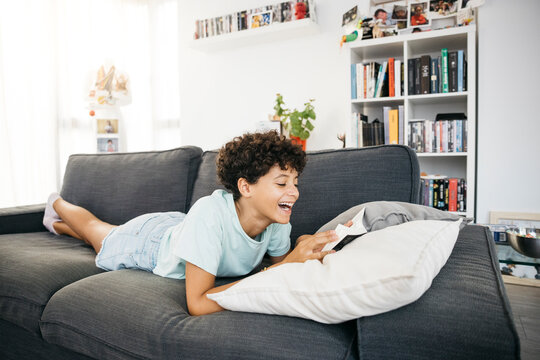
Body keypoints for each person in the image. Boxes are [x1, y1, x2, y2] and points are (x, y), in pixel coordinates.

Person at [42, 131, 342, 316]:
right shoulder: (211, 215)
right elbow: (198, 304)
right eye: (282, 182)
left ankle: (57, 226)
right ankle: (56, 203)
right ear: (245, 187)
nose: (294, 192)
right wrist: (286, 264)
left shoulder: (278, 218)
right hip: (150, 243)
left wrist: (302, 248)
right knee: (96, 230)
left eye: (295, 182)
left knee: (90, 236)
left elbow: (282, 265)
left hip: (184, 228)